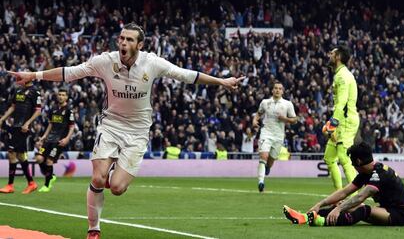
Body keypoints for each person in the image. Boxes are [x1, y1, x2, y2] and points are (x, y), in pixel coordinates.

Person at [8, 22, 245, 239]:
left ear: (140, 45)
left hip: (139, 131)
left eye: (130, 39)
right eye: (121, 38)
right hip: (111, 125)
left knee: (118, 188)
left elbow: (187, 76)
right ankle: (93, 229)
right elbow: (69, 73)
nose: (123, 43)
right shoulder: (105, 61)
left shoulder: (152, 63)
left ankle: (114, 173)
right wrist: (34, 75)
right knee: (98, 177)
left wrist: (221, 81)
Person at [283, 142, 404, 226]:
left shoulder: (379, 173)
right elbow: (344, 192)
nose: (351, 165)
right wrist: (320, 204)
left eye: (352, 162)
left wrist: (338, 210)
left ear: (358, 161)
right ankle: (305, 217)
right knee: (343, 203)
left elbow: (360, 197)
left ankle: (322, 222)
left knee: (363, 209)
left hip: (400, 215)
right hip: (387, 210)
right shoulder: (366, 172)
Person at [323, 46, 359, 190]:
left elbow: (343, 101)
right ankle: (339, 194)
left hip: (346, 121)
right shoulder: (340, 74)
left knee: (344, 158)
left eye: (331, 53)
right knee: (330, 158)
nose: (329, 55)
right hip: (341, 119)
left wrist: (333, 123)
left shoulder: (342, 76)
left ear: (337, 57)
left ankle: (356, 199)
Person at [252, 82, 297, 192]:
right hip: (266, 133)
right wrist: (254, 120)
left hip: (279, 135)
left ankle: (267, 167)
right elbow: (259, 113)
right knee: (263, 156)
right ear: (272, 90)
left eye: (279, 89)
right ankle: (261, 182)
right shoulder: (265, 102)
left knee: (271, 159)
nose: (277, 90)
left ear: (282, 91)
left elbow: (294, 120)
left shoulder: (287, 104)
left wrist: (285, 119)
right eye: (275, 88)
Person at [0, 81, 41, 194]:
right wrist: (2, 119)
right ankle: (30, 183)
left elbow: (38, 111)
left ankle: (12, 185)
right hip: (15, 126)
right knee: (19, 155)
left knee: (13, 154)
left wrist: (28, 123)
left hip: (24, 127)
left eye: (22, 76)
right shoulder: (18, 90)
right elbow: (13, 107)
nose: (19, 78)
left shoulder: (34, 91)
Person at [35, 88, 75, 192]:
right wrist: (44, 137)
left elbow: (72, 127)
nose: (61, 96)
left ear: (66, 97)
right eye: (59, 94)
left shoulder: (69, 110)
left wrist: (67, 138)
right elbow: (51, 124)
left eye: (63, 95)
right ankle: (51, 176)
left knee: (49, 160)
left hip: (59, 141)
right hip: (49, 139)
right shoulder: (53, 109)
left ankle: (47, 185)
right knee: (39, 158)